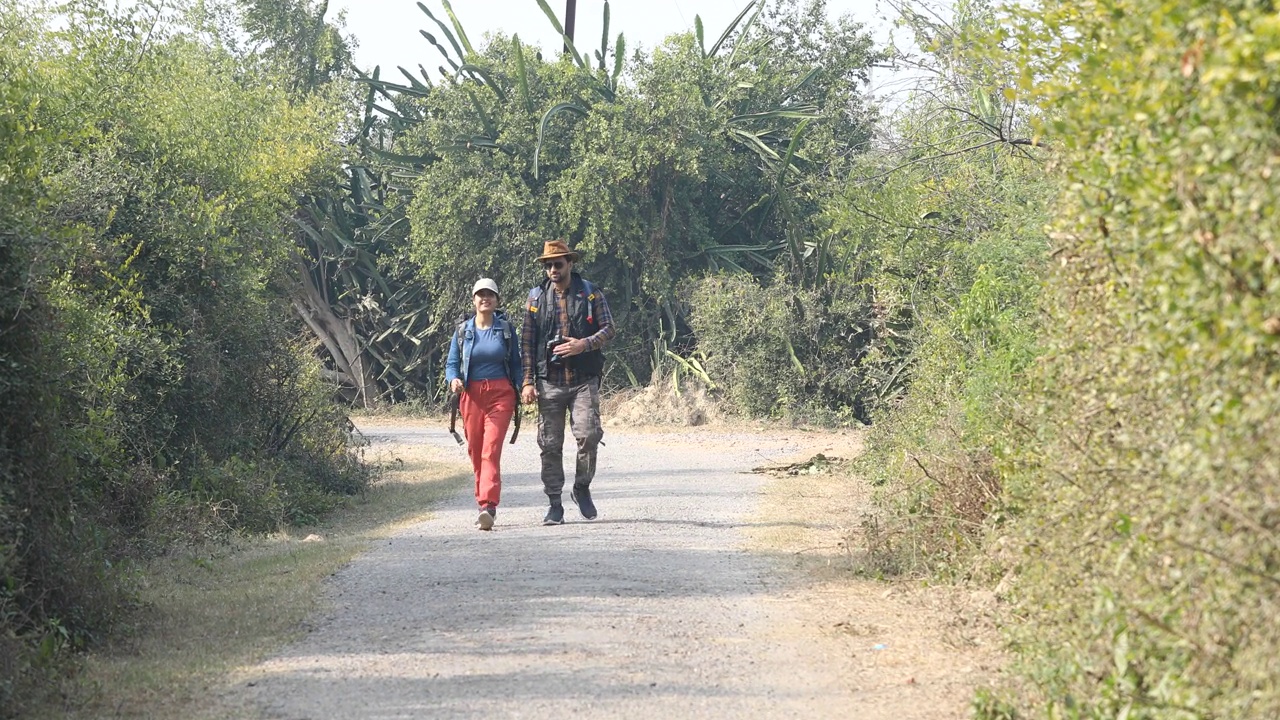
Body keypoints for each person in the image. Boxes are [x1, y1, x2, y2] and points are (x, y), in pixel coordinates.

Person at [520, 240, 616, 525]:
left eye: (558, 264)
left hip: (584, 378)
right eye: (548, 265)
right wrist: (527, 381)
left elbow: (609, 328)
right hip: (549, 381)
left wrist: (584, 344)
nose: (552, 269)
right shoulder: (536, 298)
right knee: (550, 444)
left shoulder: (590, 292)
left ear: (570, 263)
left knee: (588, 435)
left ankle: (581, 487)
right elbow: (527, 342)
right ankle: (554, 503)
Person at [445, 278, 522, 531]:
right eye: (480, 294)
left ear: (497, 300)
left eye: (490, 294)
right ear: (473, 300)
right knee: (475, 450)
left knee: (490, 448)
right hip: (471, 395)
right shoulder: (463, 332)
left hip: (501, 394)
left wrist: (524, 387)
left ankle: (489, 505)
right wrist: (453, 379)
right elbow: (452, 364)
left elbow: (516, 365)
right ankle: (482, 503)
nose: (485, 298)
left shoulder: (506, 331)